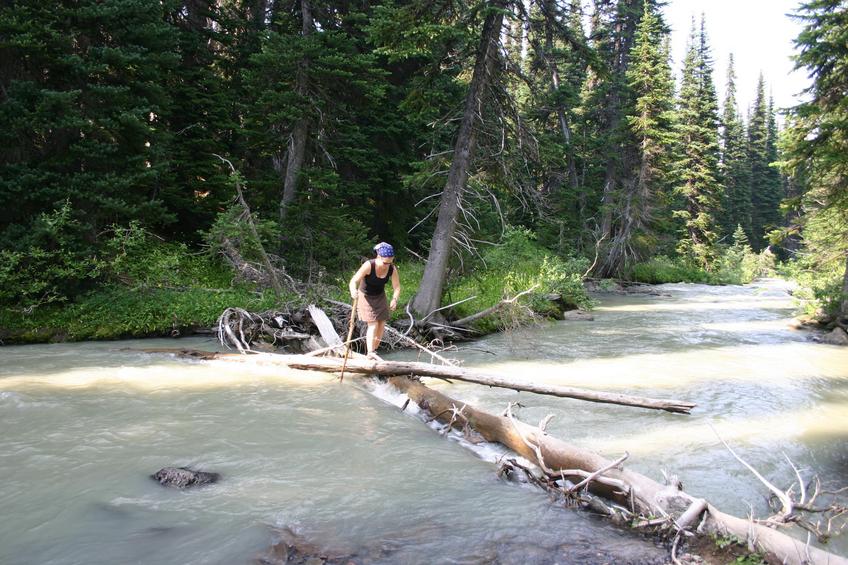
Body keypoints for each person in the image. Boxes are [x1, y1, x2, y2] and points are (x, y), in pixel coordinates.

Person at [349, 242, 401, 360]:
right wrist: (353, 291)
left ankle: (374, 350)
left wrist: (394, 299)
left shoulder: (392, 269)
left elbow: (397, 287)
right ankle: (370, 353)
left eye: (390, 262)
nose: (387, 265)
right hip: (365, 296)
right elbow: (354, 281)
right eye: (384, 262)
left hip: (380, 296)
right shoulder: (369, 265)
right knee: (373, 323)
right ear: (378, 257)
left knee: (381, 324)